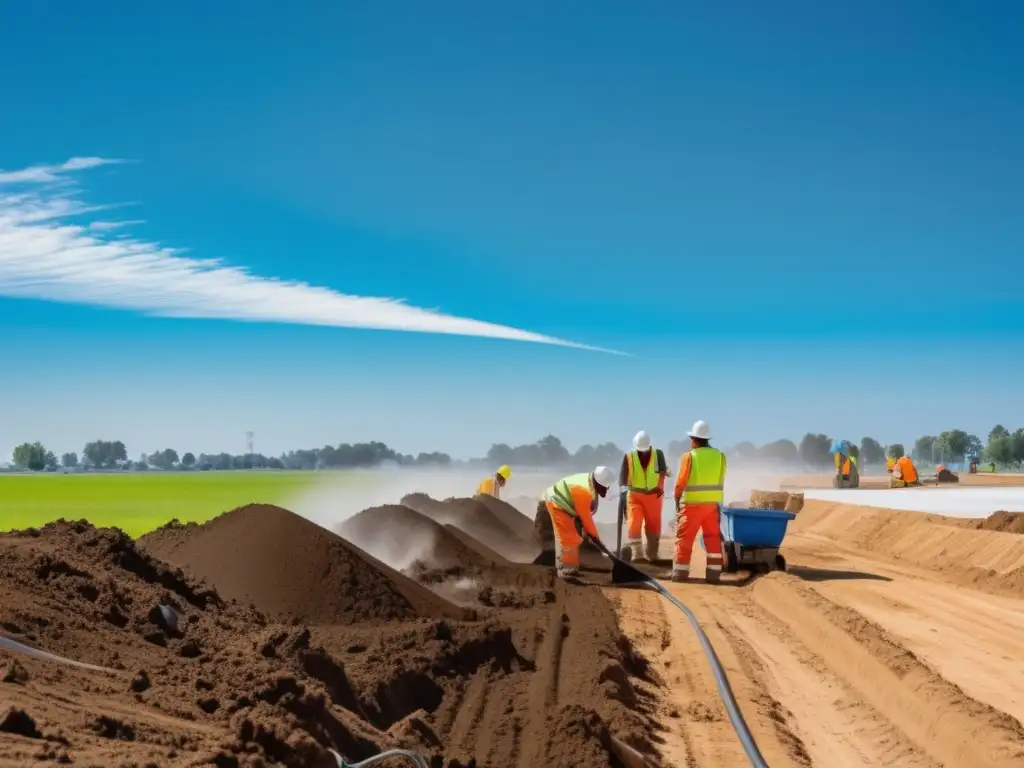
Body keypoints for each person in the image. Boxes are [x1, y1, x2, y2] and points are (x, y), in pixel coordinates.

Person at [671, 420, 727, 583]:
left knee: (684, 539)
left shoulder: (689, 457)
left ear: (694, 439)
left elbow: (680, 483)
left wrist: (676, 500)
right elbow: (720, 478)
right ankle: (714, 574)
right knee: (712, 538)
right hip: (712, 506)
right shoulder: (720, 456)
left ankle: (680, 574)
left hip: (691, 506)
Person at [540, 465, 617, 578]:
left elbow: (586, 516)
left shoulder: (591, 484)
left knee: (575, 535)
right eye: (606, 488)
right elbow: (587, 522)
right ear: (599, 484)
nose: (607, 490)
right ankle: (565, 569)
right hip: (557, 502)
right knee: (569, 538)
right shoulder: (583, 492)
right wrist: (599, 542)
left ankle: (572, 565)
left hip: (568, 504)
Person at [619, 430, 670, 562]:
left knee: (654, 525)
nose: (643, 452)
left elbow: (662, 472)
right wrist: (623, 494)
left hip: (654, 496)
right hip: (635, 495)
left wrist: (660, 486)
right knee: (634, 523)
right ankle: (637, 554)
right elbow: (623, 478)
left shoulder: (658, 454)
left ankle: (652, 554)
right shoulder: (629, 456)